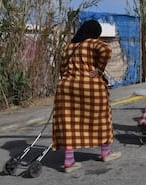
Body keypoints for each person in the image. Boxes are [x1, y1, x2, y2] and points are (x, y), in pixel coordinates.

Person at [52, 20, 121, 173]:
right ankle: (105, 152)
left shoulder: (69, 47)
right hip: (91, 88)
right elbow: (106, 50)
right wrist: (99, 69)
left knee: (70, 123)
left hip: (67, 89)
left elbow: (62, 69)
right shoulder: (91, 43)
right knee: (101, 119)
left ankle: (69, 161)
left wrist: (71, 77)